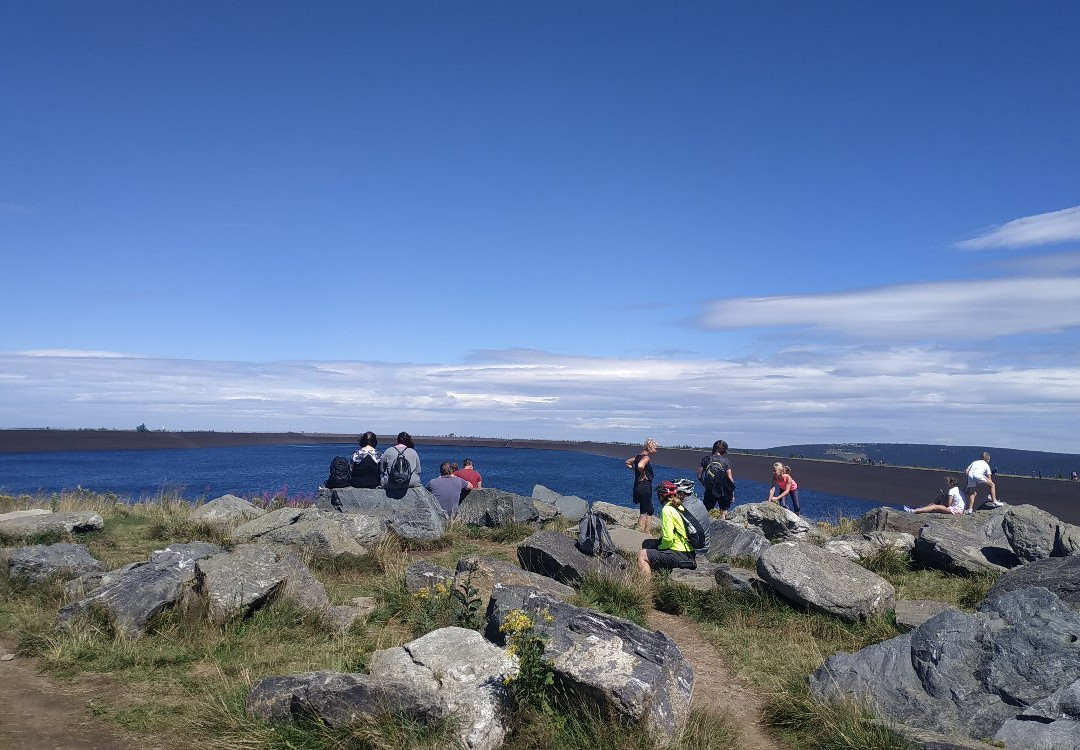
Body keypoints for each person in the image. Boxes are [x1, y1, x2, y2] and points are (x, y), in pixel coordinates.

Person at [637, 480, 696, 579]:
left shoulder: (667, 510)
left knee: (642, 555)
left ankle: (646, 587)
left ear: (661, 496)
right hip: (689, 551)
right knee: (648, 543)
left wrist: (660, 548)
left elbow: (668, 538)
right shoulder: (679, 506)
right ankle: (657, 574)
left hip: (678, 553)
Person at [626, 438, 658, 532]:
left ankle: (642, 531)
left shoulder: (636, 457)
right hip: (644, 486)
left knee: (645, 509)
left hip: (637, 486)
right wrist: (643, 474)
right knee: (648, 511)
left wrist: (634, 470)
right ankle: (645, 533)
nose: (656, 451)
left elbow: (627, 462)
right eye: (655, 448)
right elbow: (640, 466)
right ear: (650, 447)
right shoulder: (646, 457)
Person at [698, 439, 735, 519]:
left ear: (714, 448)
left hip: (710, 489)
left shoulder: (706, 459)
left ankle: (703, 528)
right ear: (724, 450)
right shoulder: (726, 461)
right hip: (723, 490)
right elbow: (730, 478)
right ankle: (723, 527)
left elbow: (699, 476)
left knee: (705, 510)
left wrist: (706, 485)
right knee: (724, 511)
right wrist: (732, 494)